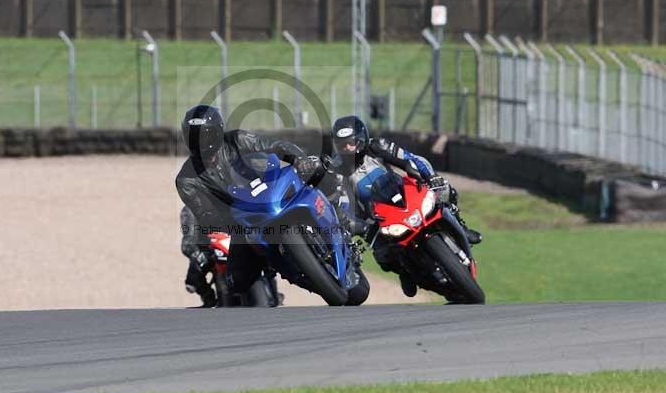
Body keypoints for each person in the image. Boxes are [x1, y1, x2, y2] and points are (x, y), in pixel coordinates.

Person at [175, 104, 344, 297]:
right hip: (242, 221)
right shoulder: (186, 179)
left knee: (320, 171)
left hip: (271, 193)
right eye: (194, 138)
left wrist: (299, 160)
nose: (201, 143)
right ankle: (300, 275)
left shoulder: (237, 140)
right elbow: (206, 216)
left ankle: (339, 216)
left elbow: (275, 146)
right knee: (236, 281)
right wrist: (233, 222)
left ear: (217, 132)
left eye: (205, 136)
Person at [330, 115, 482, 298]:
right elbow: (343, 204)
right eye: (342, 145)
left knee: (446, 191)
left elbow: (412, 159)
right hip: (376, 216)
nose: (347, 148)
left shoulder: (378, 147)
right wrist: (360, 227)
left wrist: (431, 176)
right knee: (383, 255)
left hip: (404, 195)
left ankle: (461, 227)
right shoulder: (337, 171)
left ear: (361, 140)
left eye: (351, 143)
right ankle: (405, 271)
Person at [180, 205, 217, 308]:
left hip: (233, 249)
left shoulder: (231, 201)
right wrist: (199, 257)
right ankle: (209, 299)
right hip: (209, 252)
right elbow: (188, 244)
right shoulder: (191, 209)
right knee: (192, 280)